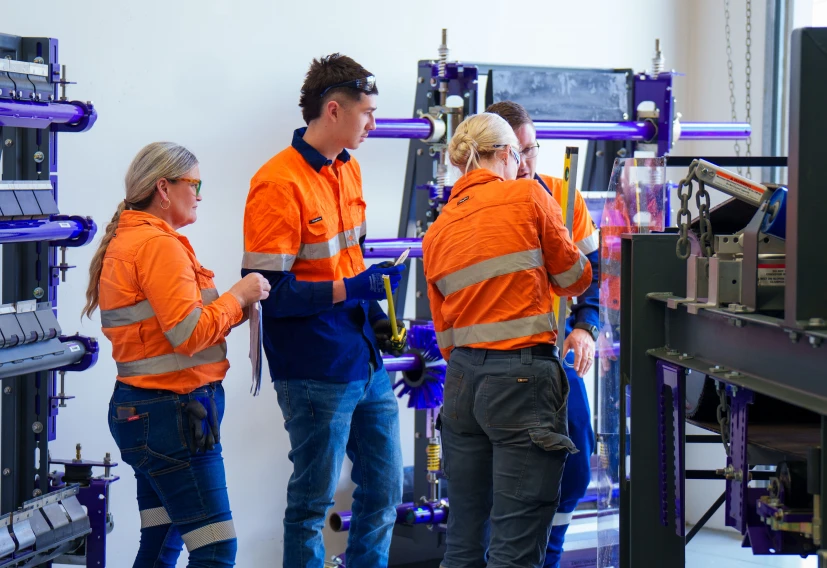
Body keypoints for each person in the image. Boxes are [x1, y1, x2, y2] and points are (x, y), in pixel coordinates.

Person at [241, 54, 405, 567]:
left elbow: (349, 261)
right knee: (311, 505)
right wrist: (352, 288)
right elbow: (270, 294)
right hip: (314, 367)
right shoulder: (277, 183)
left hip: (362, 356)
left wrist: (377, 316)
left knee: (385, 489)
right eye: (368, 113)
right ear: (333, 110)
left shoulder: (348, 169)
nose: (374, 124)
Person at [83, 142, 270, 567]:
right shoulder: (157, 246)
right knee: (215, 549)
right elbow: (189, 334)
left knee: (160, 544)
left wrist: (236, 308)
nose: (200, 194)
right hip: (176, 416)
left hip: (147, 414)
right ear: (163, 188)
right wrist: (238, 296)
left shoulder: (134, 240)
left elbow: (178, 329)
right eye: (194, 184)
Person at [422, 113, 592, 568]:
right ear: (503, 153)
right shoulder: (529, 196)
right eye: (519, 155)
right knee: (514, 548)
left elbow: (444, 334)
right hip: (522, 380)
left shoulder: (438, 230)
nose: (523, 165)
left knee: (463, 542)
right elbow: (575, 278)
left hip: (461, 383)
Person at [486, 101, 601, 568]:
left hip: (554, 355)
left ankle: (548, 557)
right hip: (496, 361)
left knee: (575, 468)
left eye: (532, 149)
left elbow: (595, 272)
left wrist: (585, 327)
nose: (526, 162)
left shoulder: (564, 195)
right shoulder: (477, 208)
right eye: (516, 152)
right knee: (503, 484)